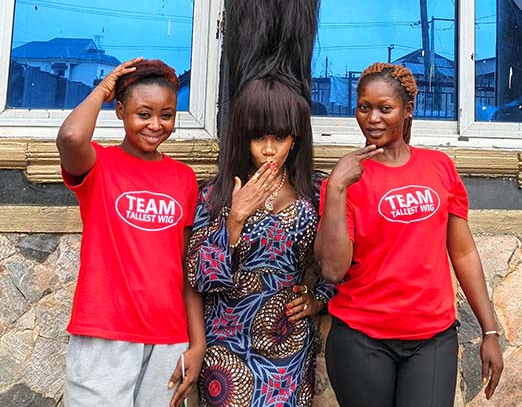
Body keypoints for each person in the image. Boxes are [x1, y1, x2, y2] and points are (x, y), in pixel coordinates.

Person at [314, 62, 504, 407]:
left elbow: (463, 252)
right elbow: (332, 269)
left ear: (408, 110)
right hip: (361, 338)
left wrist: (489, 330)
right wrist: (338, 186)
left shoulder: (439, 167)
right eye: (364, 107)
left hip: (432, 339)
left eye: (385, 108)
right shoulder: (343, 182)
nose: (372, 118)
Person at [57, 57, 204, 407]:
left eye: (166, 115)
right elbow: (70, 136)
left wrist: (197, 343)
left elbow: (187, 266)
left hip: (168, 338)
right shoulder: (99, 165)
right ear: (120, 110)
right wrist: (102, 89)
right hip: (104, 332)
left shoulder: (183, 178)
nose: (155, 125)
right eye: (143, 114)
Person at [185, 76, 335, 407]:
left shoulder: (314, 193)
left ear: (295, 137)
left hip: (288, 347)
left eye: (279, 137)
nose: (268, 149)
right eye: (258, 138)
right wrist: (234, 221)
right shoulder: (215, 194)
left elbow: (342, 259)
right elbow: (197, 277)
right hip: (226, 350)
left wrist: (318, 299)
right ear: (242, 137)